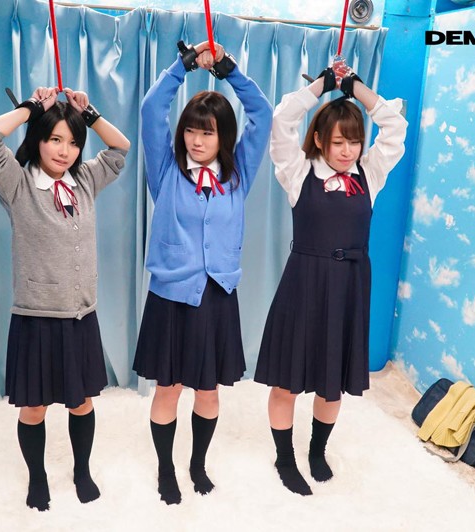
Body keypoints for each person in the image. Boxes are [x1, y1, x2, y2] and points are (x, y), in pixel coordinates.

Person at [254, 66, 408, 495]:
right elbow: (281, 121)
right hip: (303, 284)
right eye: (338, 142)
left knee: (332, 382)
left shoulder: (369, 174)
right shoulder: (297, 171)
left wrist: (357, 89)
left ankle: (317, 451)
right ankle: (285, 458)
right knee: (287, 380)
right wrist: (320, 87)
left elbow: (395, 126)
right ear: (320, 139)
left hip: (349, 288)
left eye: (354, 141)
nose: (347, 150)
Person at [0, 86, 130, 510]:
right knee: (35, 408)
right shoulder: (18, 183)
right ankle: (37, 476)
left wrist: (88, 112)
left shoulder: (85, 180)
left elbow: (120, 148)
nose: (65, 151)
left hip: (81, 317)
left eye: (74, 142)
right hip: (36, 318)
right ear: (38, 139)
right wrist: (31, 108)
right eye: (55, 139)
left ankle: (81, 470)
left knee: (82, 403)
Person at [133, 40, 272, 505]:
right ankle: (165, 468)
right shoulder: (166, 171)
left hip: (217, 297)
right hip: (172, 297)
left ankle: (197, 464)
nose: (197, 140)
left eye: (207, 133)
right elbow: (151, 109)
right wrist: (184, 65)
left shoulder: (238, 175)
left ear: (223, 137)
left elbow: (262, 113)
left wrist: (229, 70)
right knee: (168, 388)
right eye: (191, 130)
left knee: (208, 391)